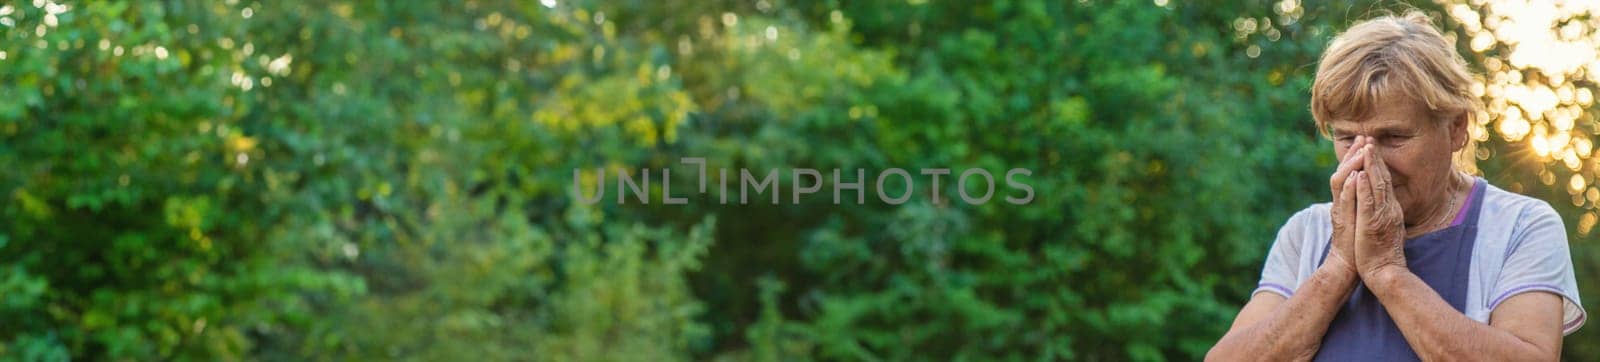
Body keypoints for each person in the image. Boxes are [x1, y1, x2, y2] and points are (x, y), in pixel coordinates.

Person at [1207, 11, 1586, 361]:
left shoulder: (1520, 227)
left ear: (1456, 128)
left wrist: (1387, 272)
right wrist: (1338, 266)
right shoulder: (1307, 233)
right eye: (1346, 138)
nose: (1367, 160)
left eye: (1393, 137)